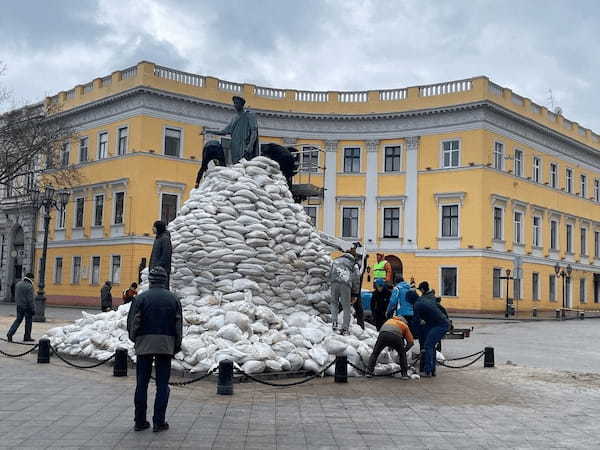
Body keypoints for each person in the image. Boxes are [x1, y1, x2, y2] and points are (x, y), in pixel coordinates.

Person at [127, 267, 183, 433]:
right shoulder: (173, 299)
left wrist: (135, 339)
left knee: (142, 384)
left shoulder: (141, 298)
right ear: (165, 280)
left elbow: (133, 323)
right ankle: (159, 422)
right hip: (165, 344)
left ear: (150, 281)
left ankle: (140, 421)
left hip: (144, 343)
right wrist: (176, 345)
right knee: (162, 385)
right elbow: (178, 325)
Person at [408, 281, 450, 377]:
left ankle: (427, 371)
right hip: (440, 323)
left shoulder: (417, 305)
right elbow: (439, 308)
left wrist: (412, 333)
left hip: (440, 325)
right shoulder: (426, 299)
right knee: (431, 346)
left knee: (428, 346)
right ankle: (432, 370)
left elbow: (415, 321)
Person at [202, 96, 259, 165]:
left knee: (245, 165)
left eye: (237, 103)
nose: (235, 105)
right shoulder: (234, 119)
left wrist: (250, 146)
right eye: (234, 103)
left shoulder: (249, 115)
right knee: (236, 166)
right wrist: (208, 131)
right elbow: (224, 132)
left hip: (245, 145)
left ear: (242, 105)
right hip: (235, 146)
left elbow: (254, 132)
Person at [329, 246, 360, 335]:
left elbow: (330, 272)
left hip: (334, 282)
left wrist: (331, 282)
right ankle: (345, 328)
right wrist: (355, 294)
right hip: (345, 284)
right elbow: (356, 279)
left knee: (334, 303)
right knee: (346, 306)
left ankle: (334, 323)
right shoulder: (353, 264)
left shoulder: (336, 260)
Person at [6, 273, 35, 342]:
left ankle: (10, 334)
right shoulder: (29, 286)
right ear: (31, 278)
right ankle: (27, 337)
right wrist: (33, 309)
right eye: (33, 279)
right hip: (27, 307)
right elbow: (30, 299)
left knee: (18, 320)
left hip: (19, 306)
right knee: (28, 322)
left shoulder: (18, 284)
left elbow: (15, 295)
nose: (33, 280)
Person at [150, 220, 173, 290]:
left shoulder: (165, 239)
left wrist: (158, 267)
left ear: (158, 228)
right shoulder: (158, 239)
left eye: (154, 227)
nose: (152, 228)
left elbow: (166, 255)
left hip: (161, 272)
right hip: (155, 271)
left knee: (162, 290)